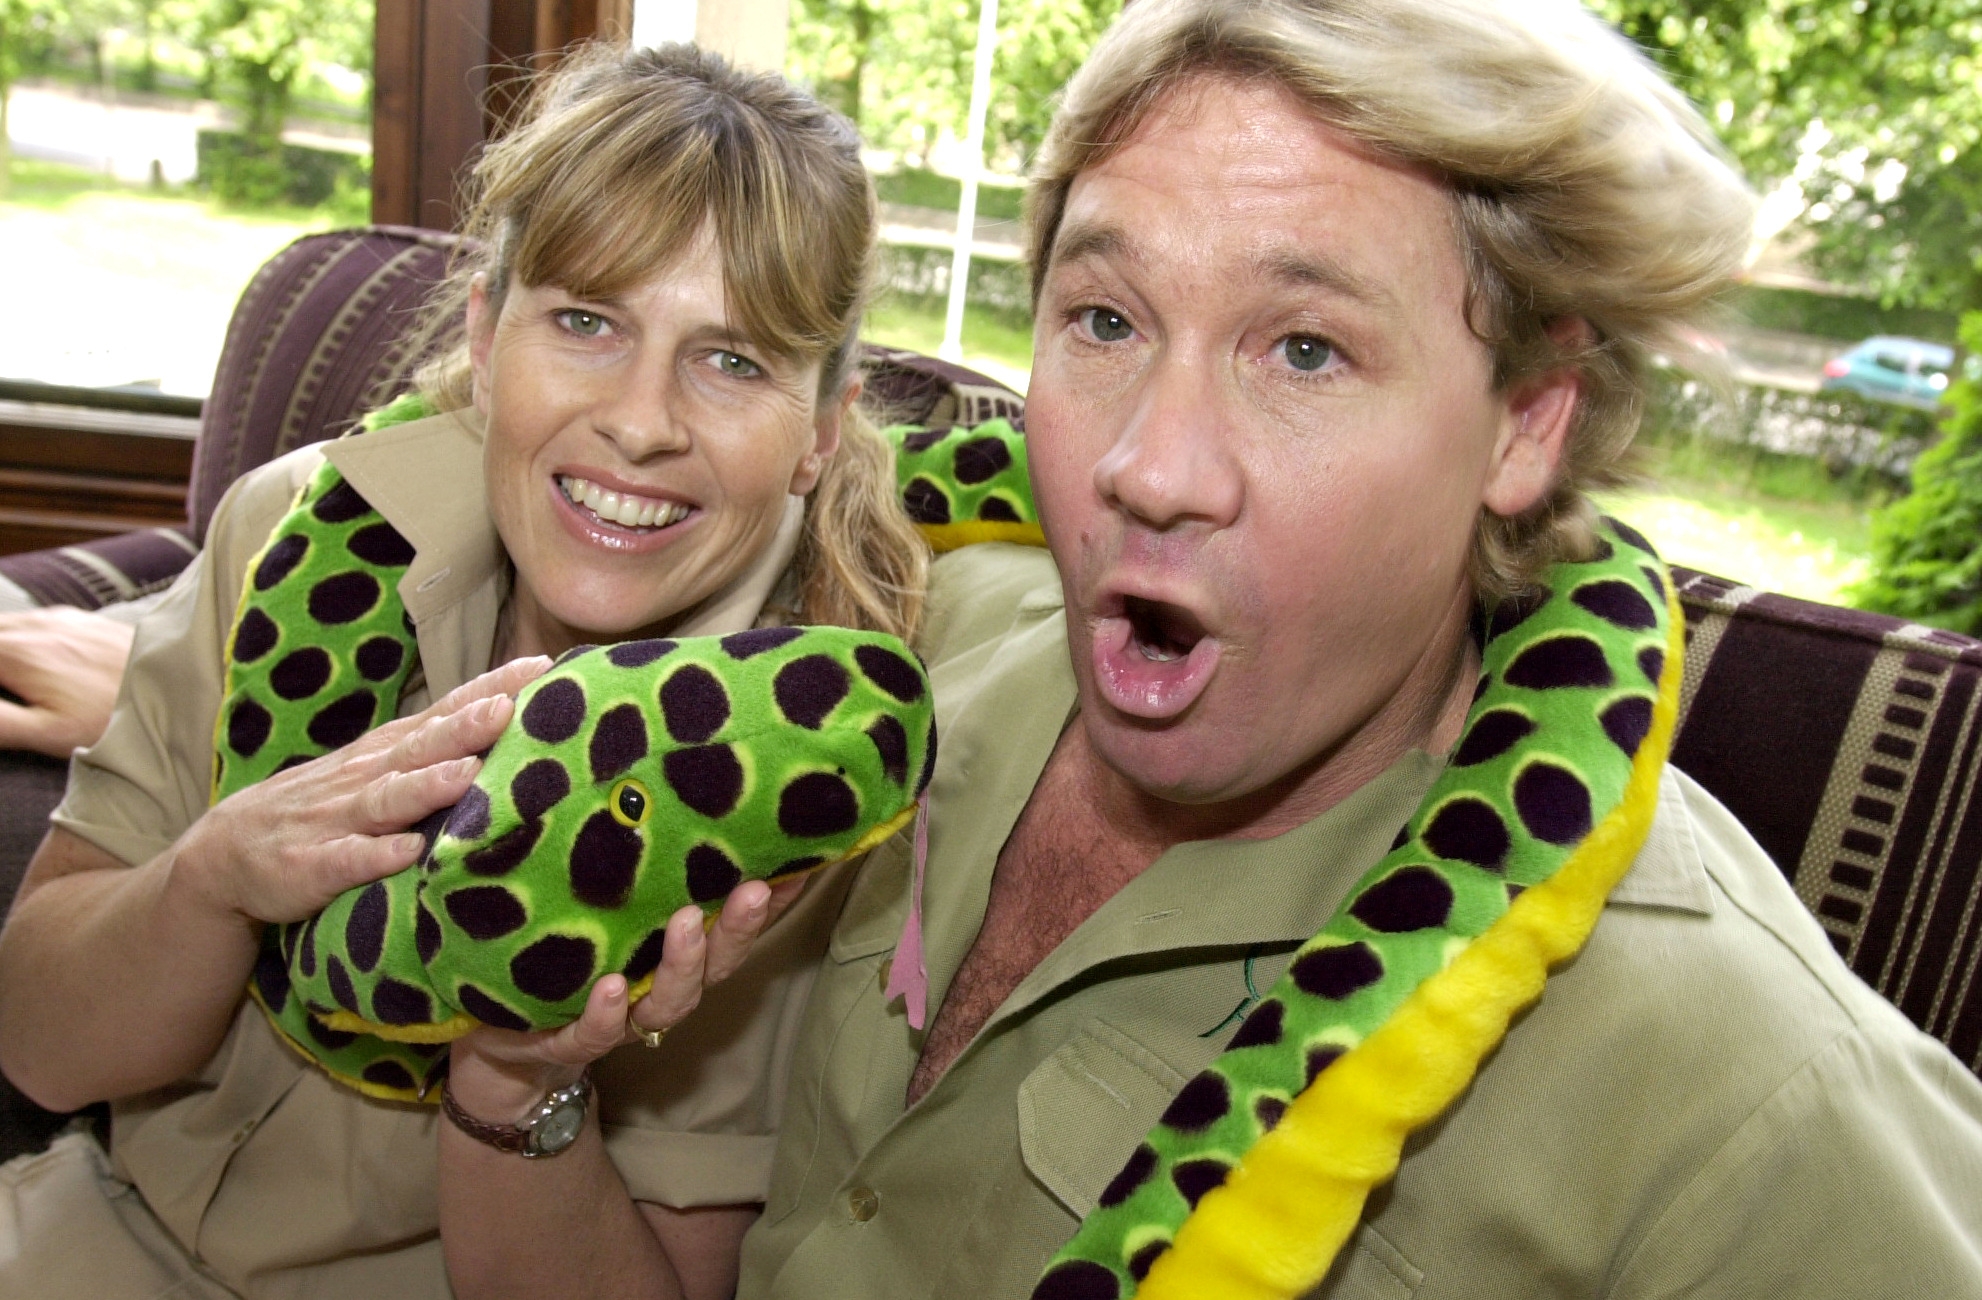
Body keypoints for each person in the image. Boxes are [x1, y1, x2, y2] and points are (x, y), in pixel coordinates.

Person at [732, 1, 1982, 1296]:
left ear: (1527, 424)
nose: (1145, 467)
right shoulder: (918, 638)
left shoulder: (1748, 1094)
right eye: (1105, 319)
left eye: (1305, 350)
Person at [0, 42, 925, 1300]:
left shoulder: (804, 794)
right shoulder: (291, 531)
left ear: (820, 430)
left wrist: (517, 1082)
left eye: (732, 359)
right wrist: (211, 878)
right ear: (489, 337)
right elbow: (41, 1048)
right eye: (585, 321)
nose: (642, 420)